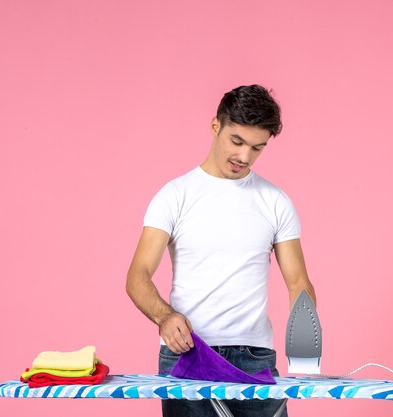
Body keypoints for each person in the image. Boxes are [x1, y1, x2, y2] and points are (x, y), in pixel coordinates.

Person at [126, 84, 316, 417]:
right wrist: (164, 317)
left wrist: (305, 351)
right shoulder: (174, 196)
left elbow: (298, 281)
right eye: (237, 141)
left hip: (254, 357)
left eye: (257, 148)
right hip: (186, 352)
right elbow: (137, 275)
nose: (244, 157)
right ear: (216, 126)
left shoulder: (275, 202)